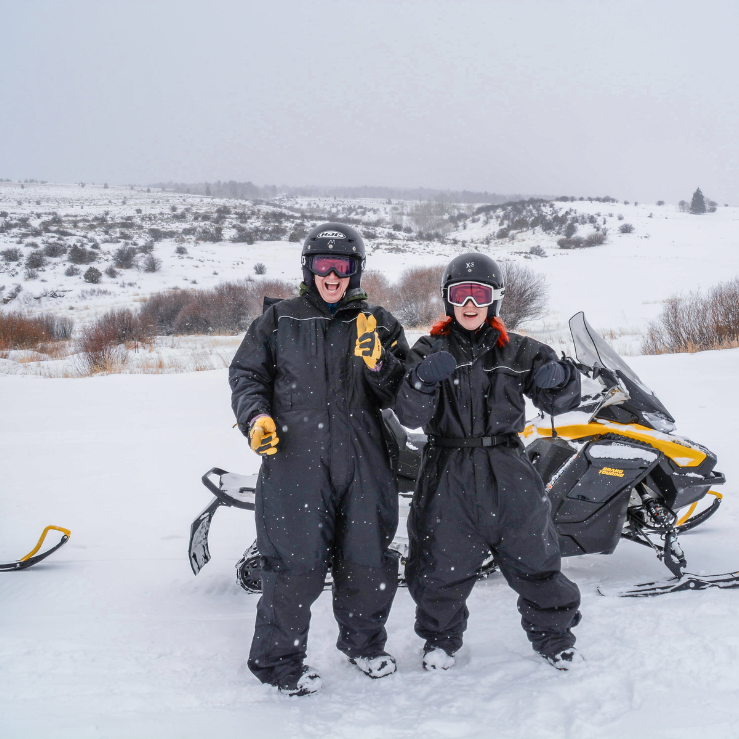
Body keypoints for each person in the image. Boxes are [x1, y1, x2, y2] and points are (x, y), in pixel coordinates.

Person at [228, 222, 410, 696]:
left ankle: (364, 646)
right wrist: (255, 418)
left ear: (357, 270)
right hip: (294, 460)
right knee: (293, 566)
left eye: (342, 266)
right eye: (322, 266)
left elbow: (404, 395)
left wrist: (379, 363)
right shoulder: (279, 321)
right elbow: (247, 376)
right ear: (308, 269)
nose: (333, 276)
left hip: (365, 461)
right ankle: (278, 664)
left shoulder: (381, 323)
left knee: (367, 562)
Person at [393, 252, 583, 671]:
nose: (470, 305)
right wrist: (422, 381)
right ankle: (440, 642)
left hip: (508, 466)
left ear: (494, 299)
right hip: (446, 467)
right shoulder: (429, 348)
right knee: (438, 565)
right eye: (461, 295)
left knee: (536, 558)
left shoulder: (517, 350)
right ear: (448, 299)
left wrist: (563, 379)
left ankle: (554, 638)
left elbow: (562, 399)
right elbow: (408, 414)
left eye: (479, 295)